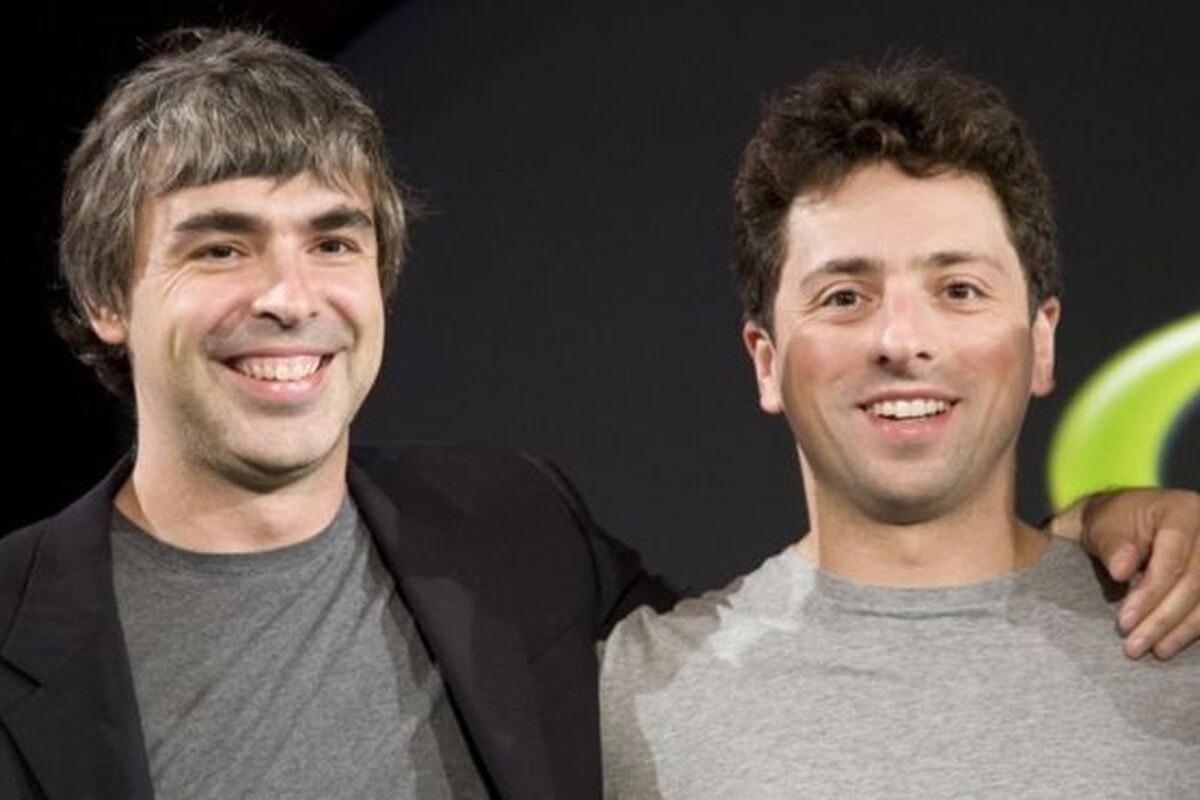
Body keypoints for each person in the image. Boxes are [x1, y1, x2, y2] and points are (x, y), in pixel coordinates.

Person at [0, 30, 1194, 800]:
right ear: (106, 292)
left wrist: (1112, 515)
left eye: (333, 241)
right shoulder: (634, 681)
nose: (286, 295)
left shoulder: (514, 536)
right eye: (219, 245)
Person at [601, 59, 1199, 798]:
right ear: (767, 362)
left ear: (1041, 342)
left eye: (959, 289)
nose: (902, 340)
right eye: (844, 296)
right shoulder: (631, 695)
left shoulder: (1185, 631)